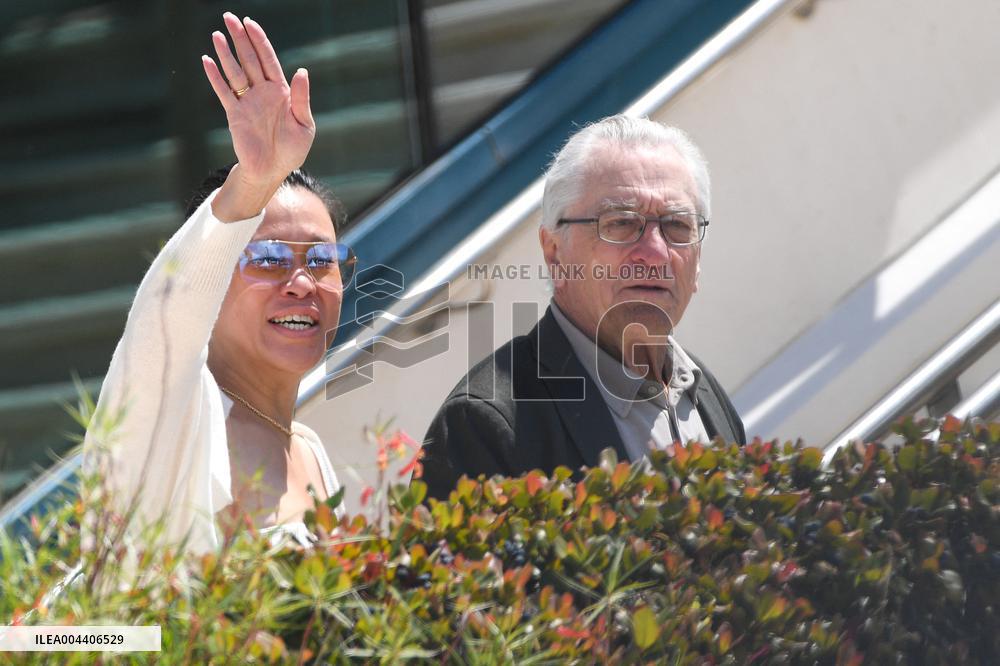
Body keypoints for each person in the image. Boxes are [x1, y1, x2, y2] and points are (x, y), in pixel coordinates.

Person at [83, 13, 355, 551]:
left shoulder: (310, 449)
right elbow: (165, 316)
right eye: (270, 258)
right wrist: (253, 182)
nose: (302, 282)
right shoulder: (173, 417)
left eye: (322, 258)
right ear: (214, 281)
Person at [422, 115, 746, 500]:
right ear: (554, 252)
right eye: (622, 223)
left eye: (677, 225)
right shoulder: (485, 424)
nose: (656, 252)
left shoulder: (702, 392)